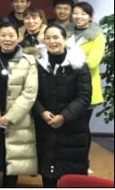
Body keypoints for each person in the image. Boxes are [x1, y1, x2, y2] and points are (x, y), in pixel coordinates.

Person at [0, 22, 38, 188]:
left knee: (12, 162)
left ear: (18, 38)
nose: (7, 39)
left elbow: (29, 93)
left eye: (11, 35)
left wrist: (9, 117)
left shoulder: (28, 61)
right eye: (3, 35)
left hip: (16, 121)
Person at [33, 24, 92, 188]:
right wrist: (41, 112)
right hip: (45, 126)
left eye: (56, 37)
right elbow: (30, 93)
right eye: (47, 38)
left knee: (72, 176)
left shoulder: (79, 64)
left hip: (72, 128)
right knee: (48, 173)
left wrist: (64, 117)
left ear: (65, 39)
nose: (51, 41)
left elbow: (84, 97)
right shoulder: (36, 64)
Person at [65, 2, 106, 161]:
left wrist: (69, 58)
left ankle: (82, 161)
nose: (79, 16)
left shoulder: (98, 36)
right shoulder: (65, 32)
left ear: (90, 17)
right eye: (76, 13)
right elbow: (57, 57)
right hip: (67, 88)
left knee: (82, 127)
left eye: (83, 14)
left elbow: (92, 63)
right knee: (68, 127)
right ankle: (68, 161)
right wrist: (81, 56)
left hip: (87, 89)